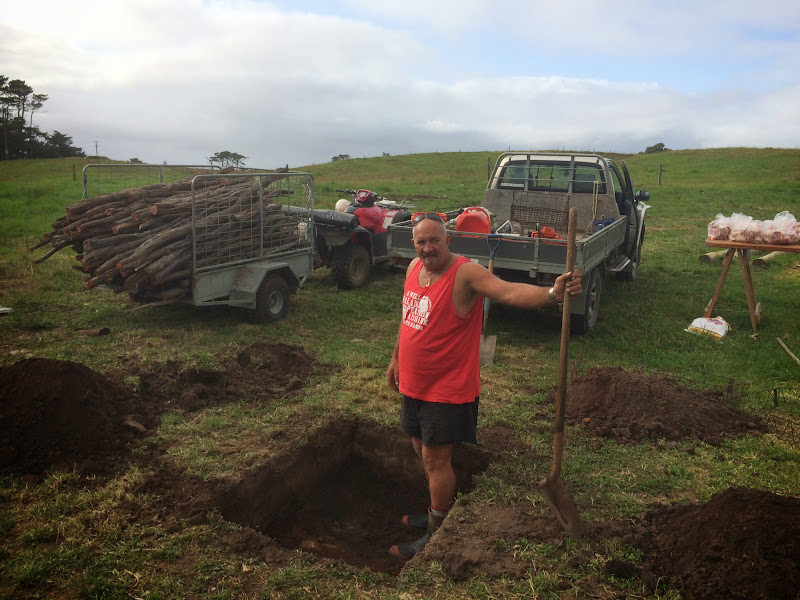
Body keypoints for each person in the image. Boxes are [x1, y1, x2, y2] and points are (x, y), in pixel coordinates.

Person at [385, 212, 583, 560]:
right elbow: (407, 318)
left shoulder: (465, 273)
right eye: (421, 242)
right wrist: (396, 358)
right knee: (420, 448)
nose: (428, 248)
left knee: (434, 457)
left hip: (446, 388)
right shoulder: (413, 269)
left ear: (448, 240)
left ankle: (435, 531)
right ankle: (436, 510)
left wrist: (553, 294)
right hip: (414, 384)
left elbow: (508, 291)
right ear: (413, 244)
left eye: (434, 240)